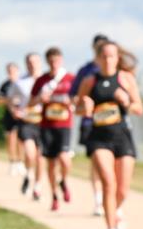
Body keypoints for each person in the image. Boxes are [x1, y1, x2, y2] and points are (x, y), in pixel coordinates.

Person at [77, 40, 143, 229]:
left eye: (111, 56)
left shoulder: (126, 78)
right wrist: (84, 108)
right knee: (108, 182)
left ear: (117, 58)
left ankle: (115, 210)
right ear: (97, 59)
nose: (107, 60)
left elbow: (139, 108)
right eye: (104, 56)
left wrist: (126, 102)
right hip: (99, 137)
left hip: (122, 136)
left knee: (122, 190)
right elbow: (78, 108)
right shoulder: (89, 81)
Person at [31, 47, 76, 211]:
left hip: (64, 125)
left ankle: (63, 180)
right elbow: (30, 102)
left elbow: (79, 99)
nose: (53, 64)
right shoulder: (41, 80)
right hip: (46, 126)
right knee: (50, 163)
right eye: (50, 61)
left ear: (61, 60)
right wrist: (40, 99)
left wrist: (71, 101)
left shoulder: (70, 78)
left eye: (56, 60)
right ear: (47, 61)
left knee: (64, 159)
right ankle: (54, 195)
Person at [71, 34, 110, 216]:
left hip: (113, 126)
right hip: (90, 123)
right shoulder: (86, 71)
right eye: (99, 47)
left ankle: (111, 200)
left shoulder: (117, 70)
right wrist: (83, 104)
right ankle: (98, 200)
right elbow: (74, 97)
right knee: (97, 162)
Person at [10, 53, 45, 200]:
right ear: (26, 64)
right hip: (26, 121)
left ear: (40, 62)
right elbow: (10, 99)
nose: (32, 64)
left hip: (43, 122)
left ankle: (37, 186)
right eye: (29, 62)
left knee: (40, 157)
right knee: (30, 154)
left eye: (35, 61)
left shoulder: (47, 80)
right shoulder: (20, 82)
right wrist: (14, 110)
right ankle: (29, 174)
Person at [0, 62, 24, 176]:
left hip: (22, 114)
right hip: (10, 115)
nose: (11, 73)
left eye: (13, 70)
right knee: (11, 138)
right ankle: (12, 162)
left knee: (21, 139)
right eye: (9, 71)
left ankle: (20, 161)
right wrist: (9, 101)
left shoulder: (23, 82)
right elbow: (0, 99)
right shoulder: (5, 85)